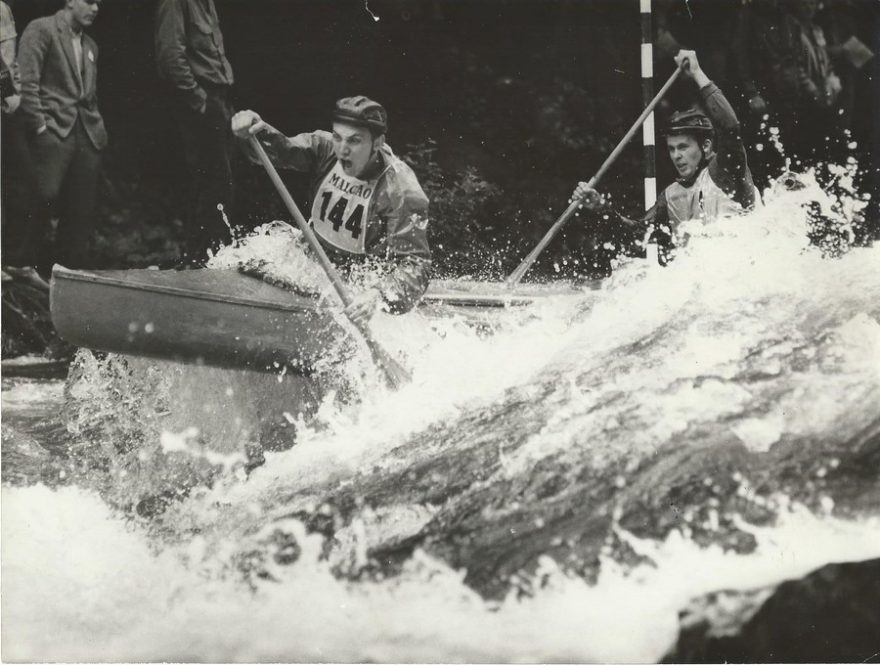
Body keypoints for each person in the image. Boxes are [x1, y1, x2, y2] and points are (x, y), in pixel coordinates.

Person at [231, 96, 432, 327]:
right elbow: (280, 151)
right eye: (338, 137)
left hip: (357, 285)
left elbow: (416, 264)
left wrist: (377, 295)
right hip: (307, 261)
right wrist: (257, 130)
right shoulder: (325, 148)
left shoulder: (401, 191)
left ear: (377, 142)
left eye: (355, 141)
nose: (343, 150)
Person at [572, 50, 759, 262]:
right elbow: (637, 234)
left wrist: (697, 73)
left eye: (683, 147)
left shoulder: (725, 170)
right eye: (671, 149)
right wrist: (600, 208)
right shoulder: (671, 196)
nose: (676, 156)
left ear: (706, 147)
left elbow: (730, 126)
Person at [17, 0, 107, 271]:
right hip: (53, 130)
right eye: (89, 1)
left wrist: (98, 132)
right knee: (41, 200)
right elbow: (27, 81)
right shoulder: (41, 30)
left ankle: (70, 276)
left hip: (87, 134)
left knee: (80, 210)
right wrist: (40, 127)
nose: (95, 8)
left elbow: (89, 95)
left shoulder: (91, 45)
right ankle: (24, 271)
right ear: (69, 1)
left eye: (98, 3)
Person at [155, 0, 235, 267]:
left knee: (219, 184)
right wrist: (199, 99)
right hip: (200, 101)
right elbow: (170, 56)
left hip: (218, 99)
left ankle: (211, 258)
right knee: (209, 182)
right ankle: (197, 259)